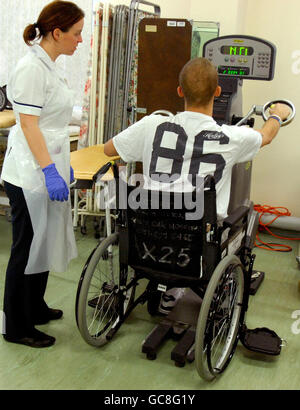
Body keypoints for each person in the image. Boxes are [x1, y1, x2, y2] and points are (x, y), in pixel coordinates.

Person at [103, 57, 290, 314]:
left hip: (147, 238)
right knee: (244, 212)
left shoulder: (151, 125)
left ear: (180, 91)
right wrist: (277, 116)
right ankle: (212, 291)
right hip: (199, 243)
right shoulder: (231, 137)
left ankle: (168, 286)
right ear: (217, 92)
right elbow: (266, 135)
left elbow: (108, 149)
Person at [1, 1, 84, 347]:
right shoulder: (31, 67)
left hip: (47, 165)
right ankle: (15, 326)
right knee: (26, 246)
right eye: (76, 34)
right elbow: (29, 125)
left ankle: (34, 306)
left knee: (43, 241)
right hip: (28, 173)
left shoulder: (50, 65)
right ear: (56, 33)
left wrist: (61, 162)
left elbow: (53, 117)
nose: (79, 41)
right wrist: (50, 170)